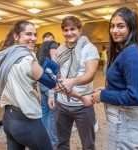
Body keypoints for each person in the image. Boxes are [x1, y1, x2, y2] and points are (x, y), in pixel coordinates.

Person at [93, 7, 138, 150]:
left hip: (124, 122)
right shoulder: (126, 50)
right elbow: (126, 84)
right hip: (123, 120)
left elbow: (137, 97)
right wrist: (108, 88)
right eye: (112, 26)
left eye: (120, 26)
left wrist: (103, 95)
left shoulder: (131, 54)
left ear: (132, 27)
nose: (114, 30)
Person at [0, 20, 54, 150]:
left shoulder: (4, 56)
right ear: (16, 36)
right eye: (28, 34)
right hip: (26, 120)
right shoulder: (27, 59)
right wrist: (80, 96)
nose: (33, 38)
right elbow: (52, 84)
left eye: (35, 35)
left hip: (9, 118)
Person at [49, 16, 100, 150]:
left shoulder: (89, 48)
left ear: (80, 30)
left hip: (83, 104)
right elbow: (55, 73)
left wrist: (73, 81)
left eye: (73, 29)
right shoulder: (60, 49)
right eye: (66, 30)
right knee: (62, 143)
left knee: (88, 145)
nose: (69, 33)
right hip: (61, 104)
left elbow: (90, 75)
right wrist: (50, 94)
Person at [36, 32, 58, 149]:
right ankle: (53, 144)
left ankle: (43, 139)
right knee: (52, 114)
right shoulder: (53, 44)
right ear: (52, 38)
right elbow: (54, 64)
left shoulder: (39, 49)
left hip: (41, 82)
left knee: (44, 112)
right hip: (50, 83)